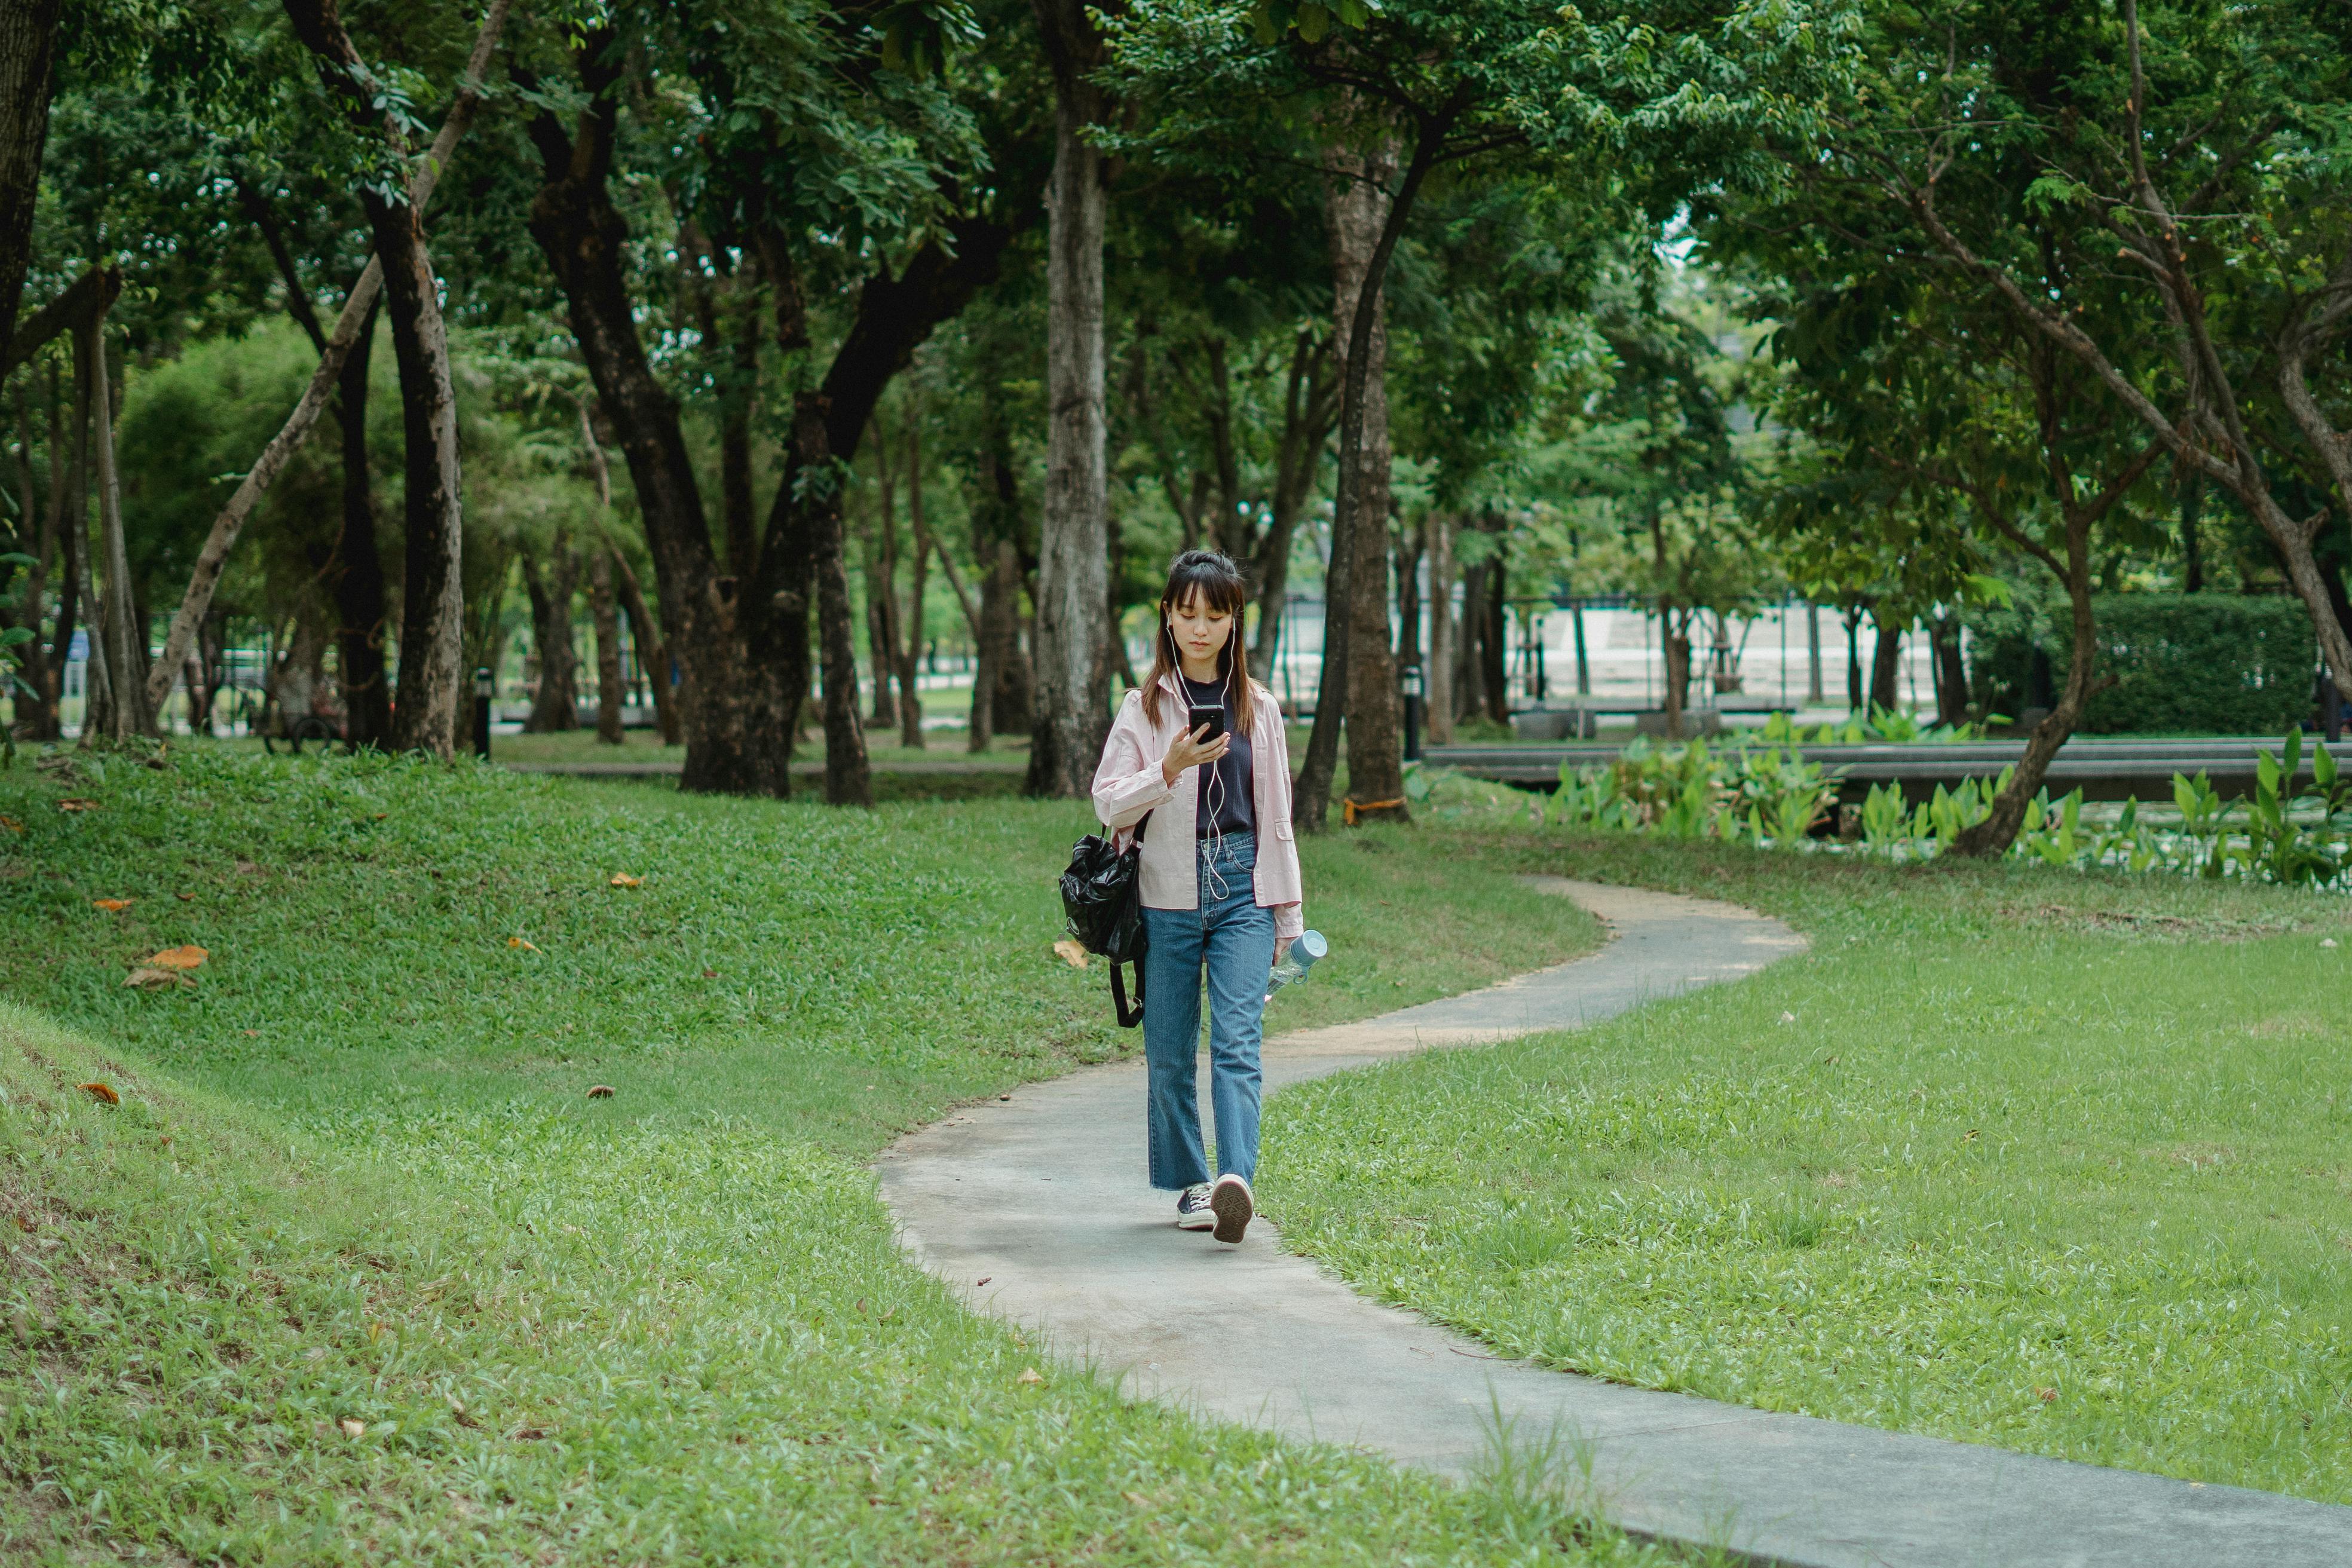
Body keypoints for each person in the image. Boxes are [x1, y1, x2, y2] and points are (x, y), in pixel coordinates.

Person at [1091, 549, 1304, 1245]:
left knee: (1240, 1042)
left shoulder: (1259, 706)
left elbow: (1278, 818)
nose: (1202, 627)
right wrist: (1168, 768)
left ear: (1235, 619)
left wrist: (1288, 920)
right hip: (1167, 893)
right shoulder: (1144, 705)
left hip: (1244, 888)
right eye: (1189, 614)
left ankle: (1234, 1180)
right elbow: (1108, 804)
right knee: (1171, 1052)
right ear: (1168, 618)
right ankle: (1190, 1184)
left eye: (1216, 614)